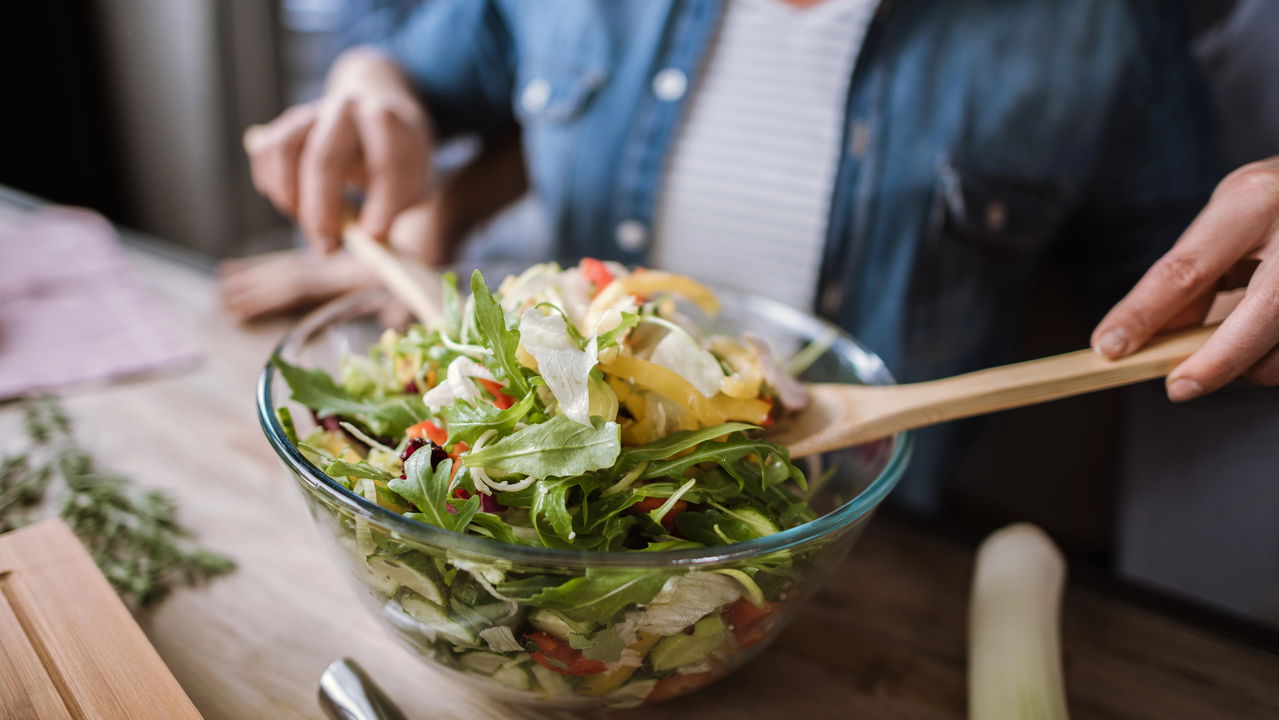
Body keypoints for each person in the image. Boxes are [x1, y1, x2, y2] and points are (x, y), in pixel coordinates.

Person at [239, 0, 1276, 515]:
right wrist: (374, 93)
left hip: (864, 554)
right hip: (512, 530)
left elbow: (1184, 299)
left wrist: (1252, 308)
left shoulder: (1100, 29)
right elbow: (422, 69)